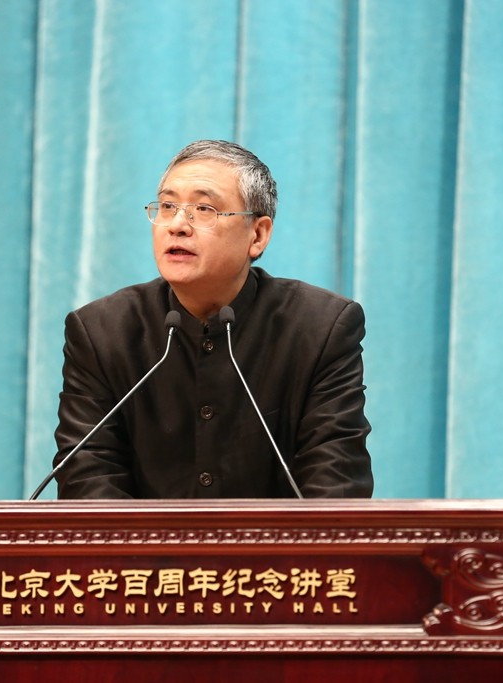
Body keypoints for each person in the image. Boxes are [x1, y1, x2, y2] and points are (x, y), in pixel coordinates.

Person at [53, 140, 372, 499]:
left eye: (204, 209)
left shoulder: (320, 328)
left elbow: (336, 484)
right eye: (168, 206)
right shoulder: (100, 332)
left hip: (281, 540)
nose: (177, 225)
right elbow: (87, 481)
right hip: (136, 541)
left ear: (257, 234)